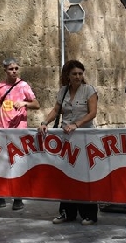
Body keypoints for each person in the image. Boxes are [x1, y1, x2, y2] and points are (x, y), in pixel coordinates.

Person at [39, 60, 98, 225]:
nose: (78, 76)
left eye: (80, 73)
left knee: (84, 176)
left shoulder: (89, 90)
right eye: (74, 74)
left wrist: (76, 125)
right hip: (66, 139)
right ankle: (67, 212)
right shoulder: (63, 91)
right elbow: (56, 110)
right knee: (65, 175)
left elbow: (92, 112)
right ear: (68, 75)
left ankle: (88, 213)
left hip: (84, 138)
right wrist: (45, 122)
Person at [0, 58, 41, 210]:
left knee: (18, 164)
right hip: (3, 130)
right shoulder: (0, 87)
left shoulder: (23, 86)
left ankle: (18, 198)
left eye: (16, 68)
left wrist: (25, 103)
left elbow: (36, 104)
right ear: (5, 70)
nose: (14, 71)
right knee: (0, 163)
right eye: (11, 69)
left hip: (19, 131)